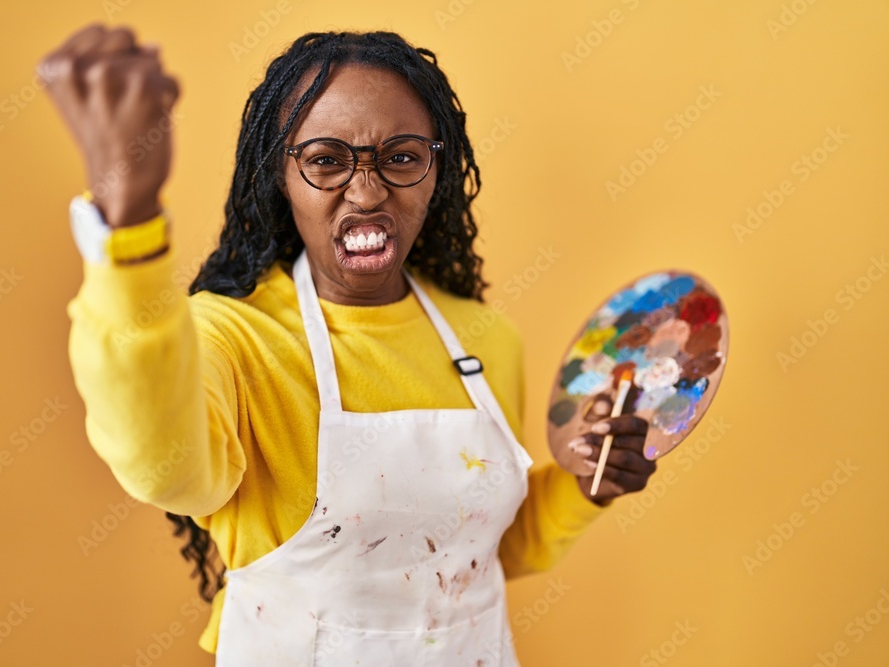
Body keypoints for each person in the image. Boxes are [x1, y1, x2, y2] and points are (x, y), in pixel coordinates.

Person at [40, 25, 656, 666]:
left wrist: (589, 485)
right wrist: (129, 219)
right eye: (326, 160)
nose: (367, 193)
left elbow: (478, 552)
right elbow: (164, 468)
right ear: (280, 175)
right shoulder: (233, 339)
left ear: (435, 169)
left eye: (402, 156)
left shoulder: (484, 339)